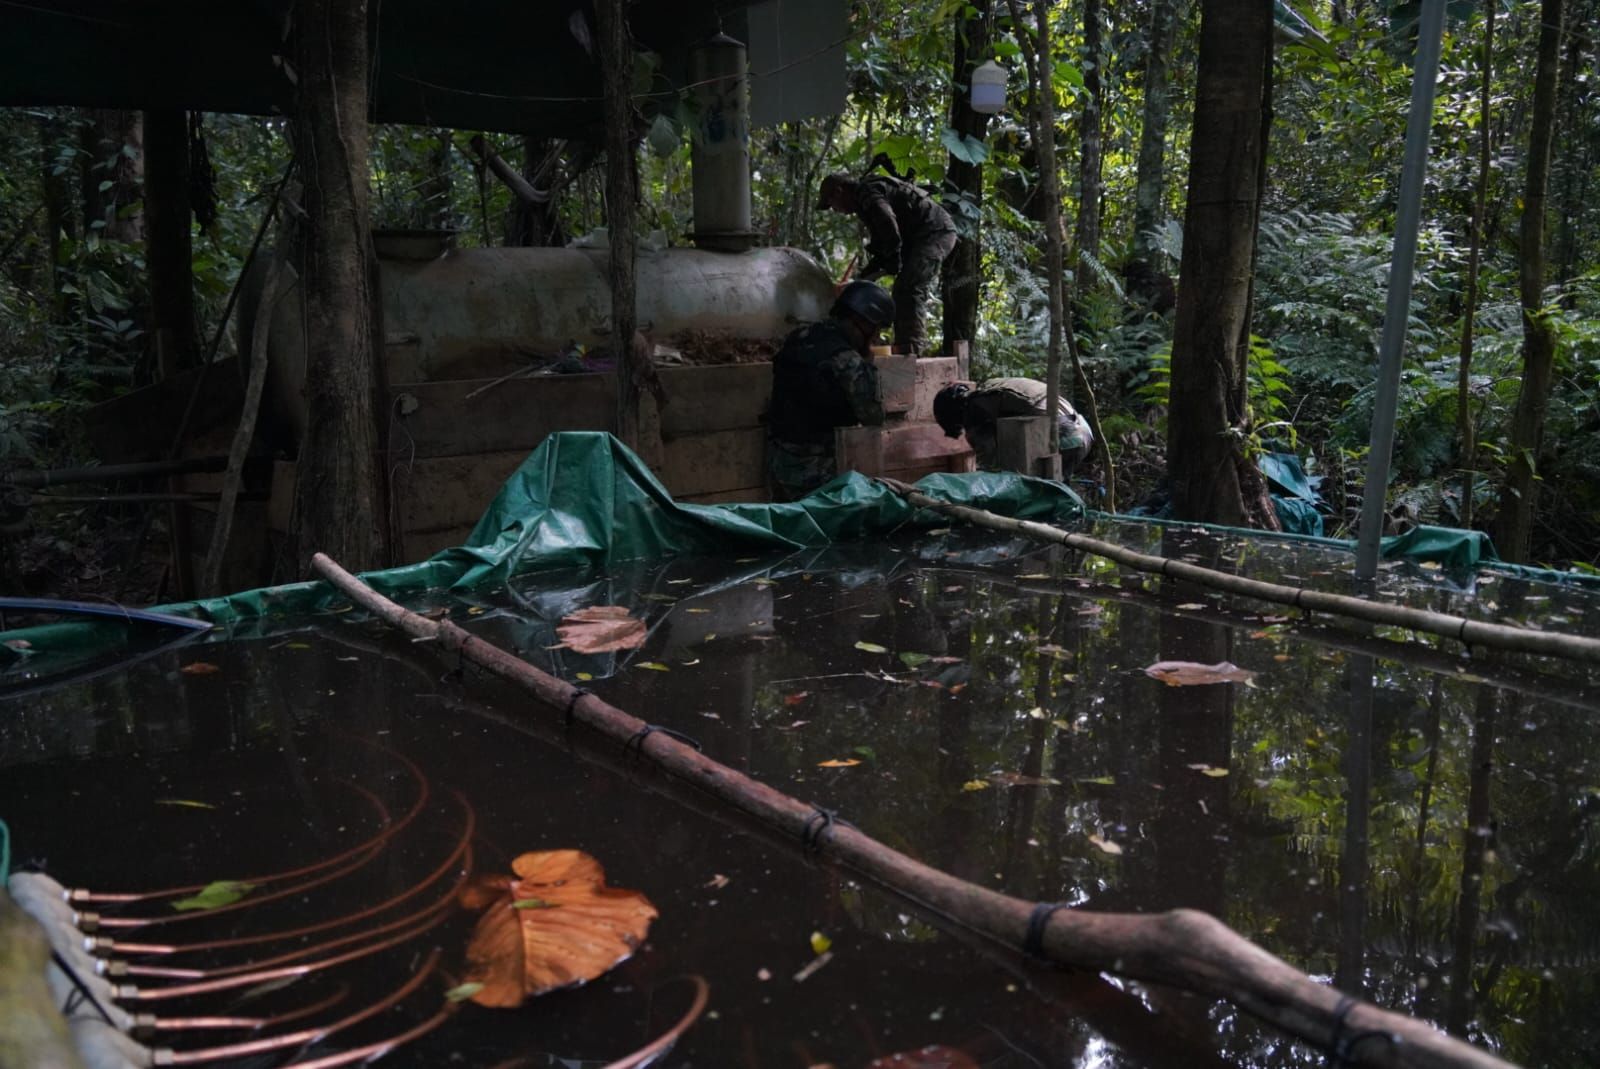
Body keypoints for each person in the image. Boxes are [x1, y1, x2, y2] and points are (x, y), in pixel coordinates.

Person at [766, 281, 896, 499]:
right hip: (813, 470)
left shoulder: (800, 337)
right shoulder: (847, 360)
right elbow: (873, 416)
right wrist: (868, 368)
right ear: (861, 322)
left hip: (778, 462)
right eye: (875, 329)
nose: (875, 338)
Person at [816, 172, 957, 356]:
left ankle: (912, 352)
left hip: (935, 231)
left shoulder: (867, 194)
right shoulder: (864, 202)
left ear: (839, 192)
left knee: (908, 287)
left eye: (831, 203)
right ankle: (906, 347)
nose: (835, 210)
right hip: (918, 236)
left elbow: (888, 224)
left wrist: (893, 257)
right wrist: (860, 282)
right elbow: (883, 249)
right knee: (903, 288)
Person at [933, 378, 1094, 475]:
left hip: (1061, 436)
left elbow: (989, 465)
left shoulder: (974, 408)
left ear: (955, 413)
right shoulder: (993, 390)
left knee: (1037, 495)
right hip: (1082, 430)